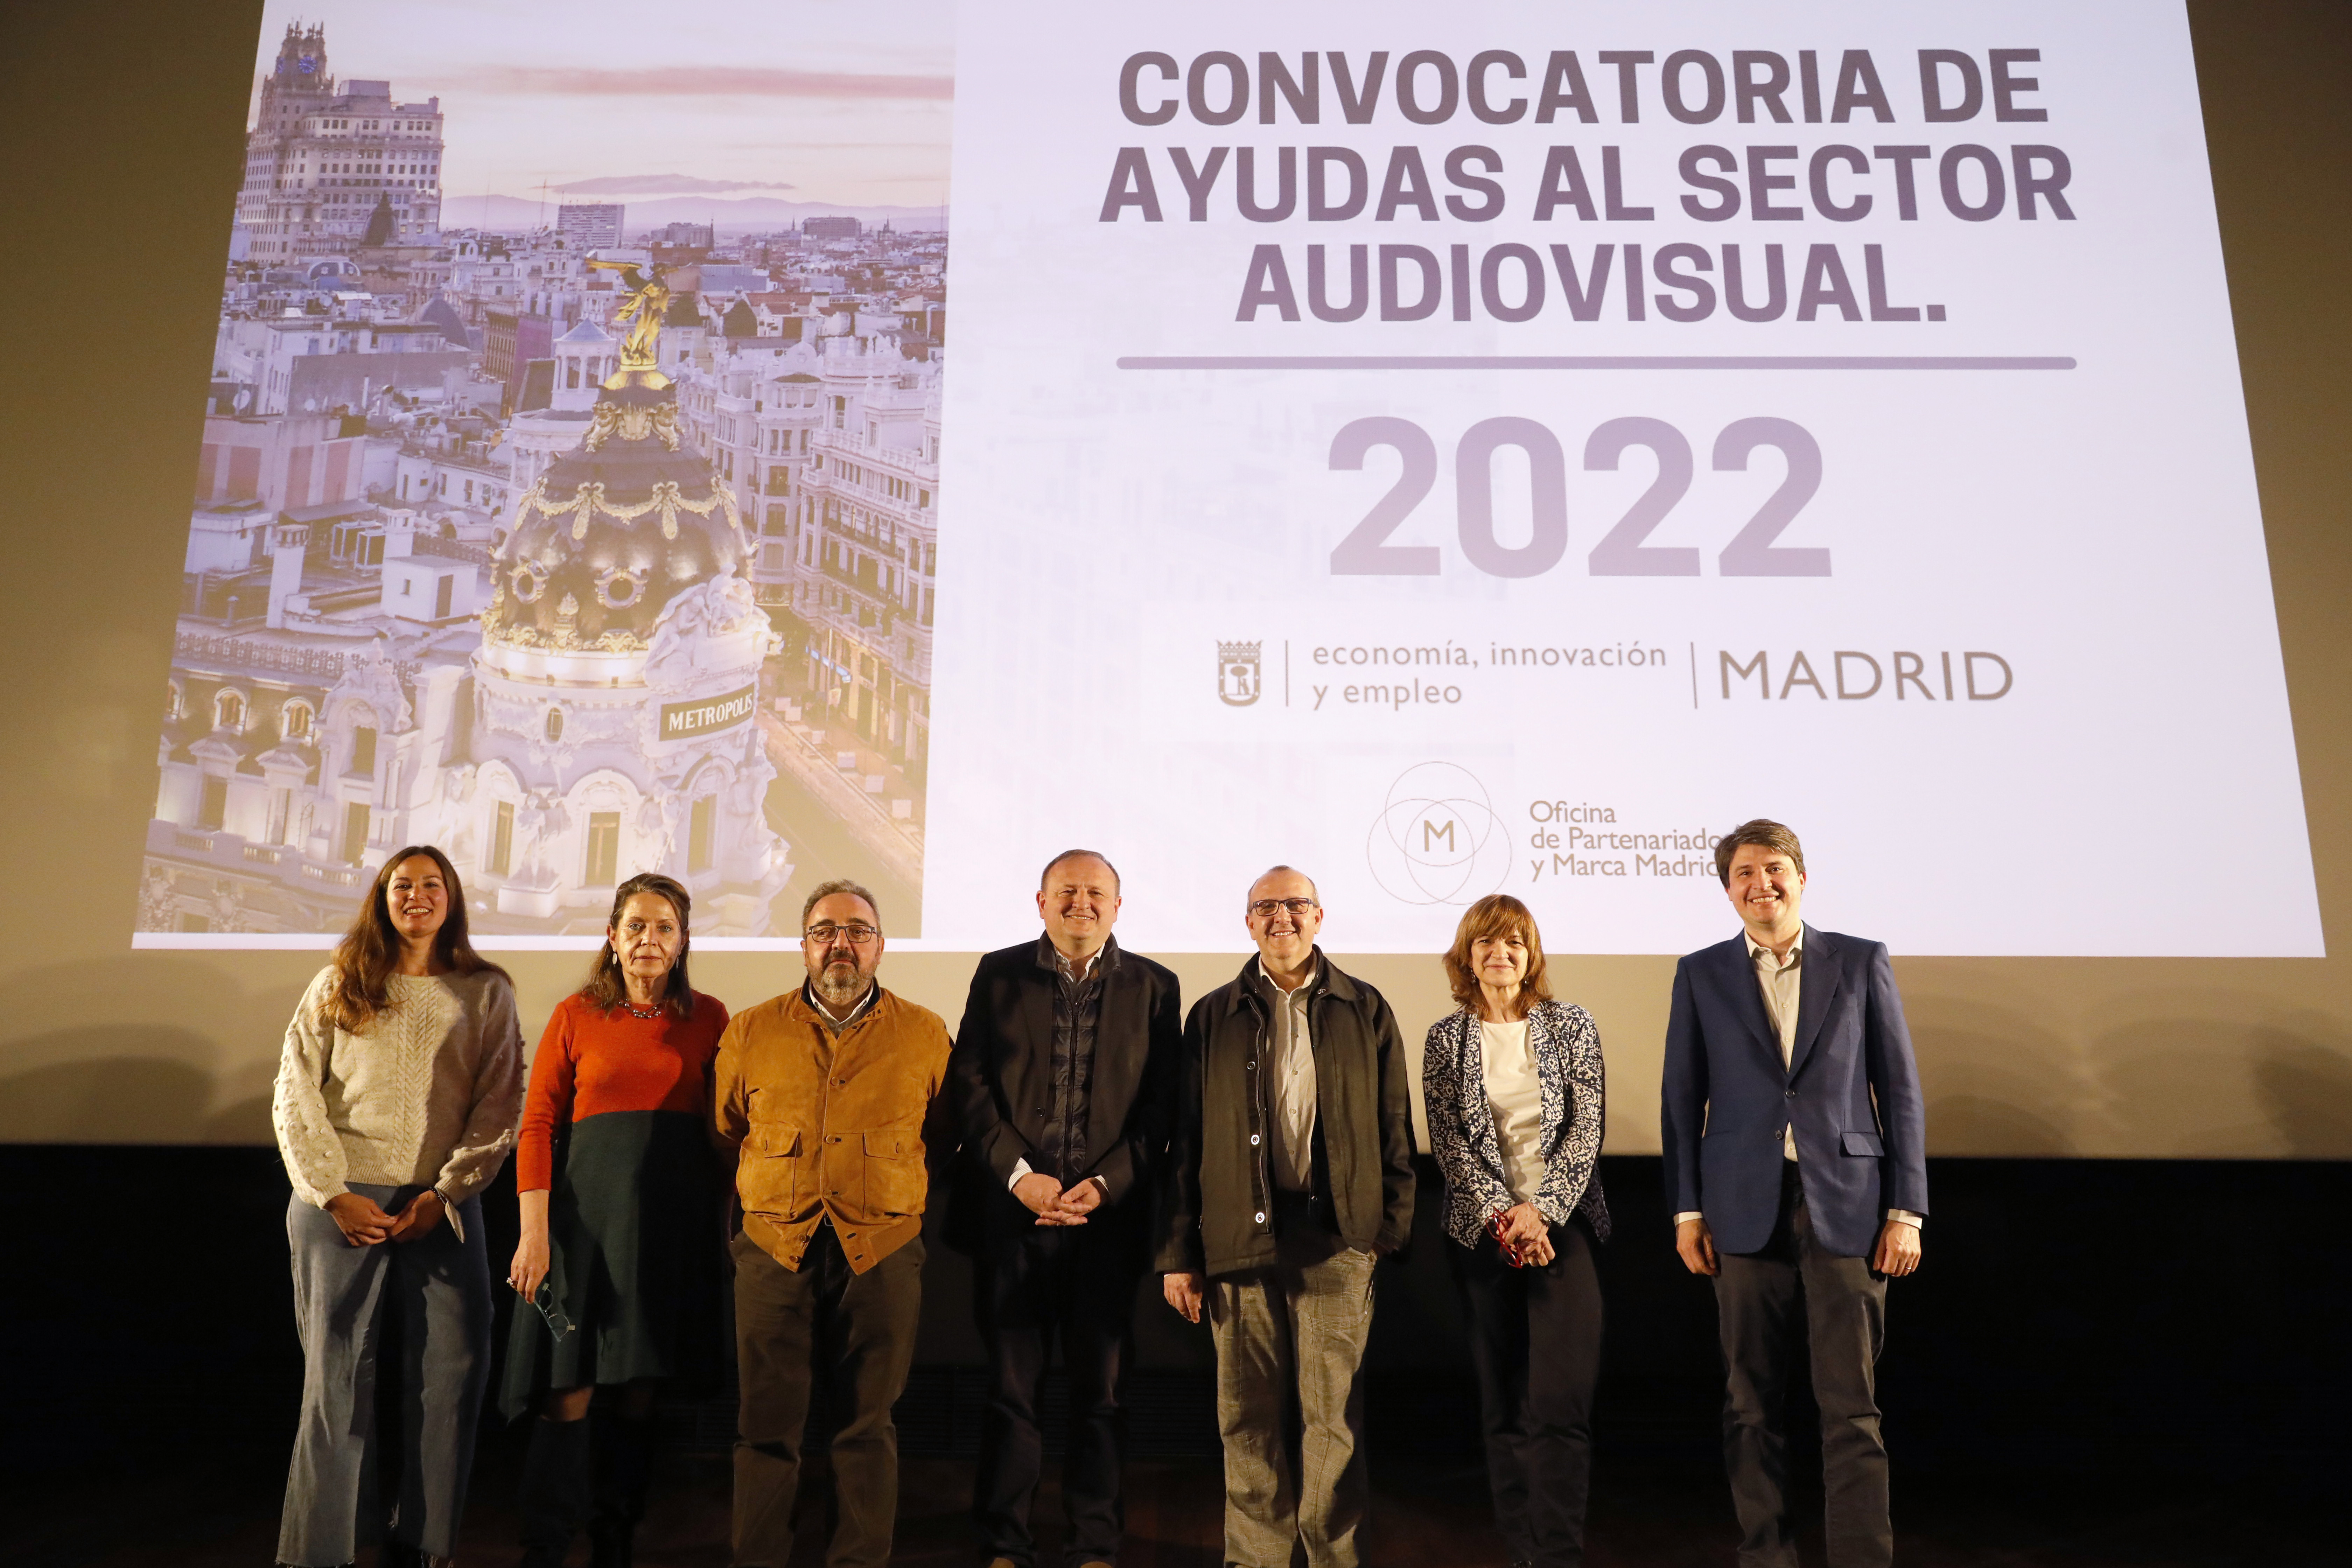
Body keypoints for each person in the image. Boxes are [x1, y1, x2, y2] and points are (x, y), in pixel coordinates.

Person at [1661, 820, 1929, 1568]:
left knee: (1852, 1406)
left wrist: (1906, 1211)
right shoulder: (1701, 972)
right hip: (1740, 1208)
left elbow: (1899, 1091)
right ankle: (1767, 1555)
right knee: (1750, 1404)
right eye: (1744, 873)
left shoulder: (1861, 960)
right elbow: (1682, 1100)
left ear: (1802, 878)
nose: (1762, 884)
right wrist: (1687, 1209)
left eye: (1774, 868)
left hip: (1849, 1207)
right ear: (1728, 890)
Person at [271, 845, 524, 1568]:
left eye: (432, 884)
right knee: (335, 1376)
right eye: (402, 885)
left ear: (453, 897)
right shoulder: (340, 981)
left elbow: (500, 1101)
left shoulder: (485, 990)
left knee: (453, 1369)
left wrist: (446, 1193)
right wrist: (334, 1193)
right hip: (339, 1202)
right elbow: (295, 1091)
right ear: (382, 899)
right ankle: (327, 1548)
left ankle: (425, 1541)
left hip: (442, 1204)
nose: (417, 896)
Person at [1156, 866, 1415, 1568]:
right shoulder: (1212, 1015)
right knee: (1246, 1415)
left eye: (1296, 904)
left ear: (1319, 916)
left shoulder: (1365, 1007)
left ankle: (1334, 1559)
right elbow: (1186, 1142)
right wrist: (1179, 1253)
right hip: (1237, 1241)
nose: (1283, 917)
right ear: (1248, 922)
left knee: (1333, 1420)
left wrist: (1384, 1231)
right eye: (1266, 907)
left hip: (1337, 1239)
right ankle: (1257, 1559)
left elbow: (1394, 1125)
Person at [947, 849, 1183, 1568]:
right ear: (1042, 901)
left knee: (1102, 1397)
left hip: (1107, 1227)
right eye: (1068, 891)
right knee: (1010, 1394)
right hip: (1012, 1222)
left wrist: (1107, 1184)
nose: (1082, 903)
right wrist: (1020, 1177)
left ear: (1118, 906)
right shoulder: (998, 973)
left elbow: (1162, 1106)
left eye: (1096, 893)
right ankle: (1004, 1544)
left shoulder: (1156, 986)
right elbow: (970, 1085)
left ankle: (1094, 1545)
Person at [714, 877, 954, 1568]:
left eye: (857, 931)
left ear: (880, 946)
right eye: (824, 931)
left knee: (867, 1426)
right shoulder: (751, 1029)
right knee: (765, 1427)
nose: (840, 943)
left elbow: (944, 1133)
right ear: (804, 946)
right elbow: (727, 1128)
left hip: (884, 1251)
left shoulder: (925, 1032)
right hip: (773, 1249)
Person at [502, 872, 732, 1568]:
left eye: (663, 927)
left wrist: (726, 1226)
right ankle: (546, 1544)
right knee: (566, 1388)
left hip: (669, 1229)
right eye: (635, 926)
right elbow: (537, 1125)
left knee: (638, 1390)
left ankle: (615, 1538)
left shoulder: (712, 1017)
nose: (648, 939)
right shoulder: (576, 1014)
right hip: (580, 1230)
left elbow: (726, 1132)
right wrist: (534, 1233)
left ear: (683, 940)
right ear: (612, 936)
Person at [1421, 894, 1610, 1568]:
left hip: (1563, 1229)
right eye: (1486, 943)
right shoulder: (1445, 1038)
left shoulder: (1572, 1024)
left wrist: (1541, 1213)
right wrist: (1505, 1215)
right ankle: (1522, 1549)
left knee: (1560, 1404)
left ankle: (1557, 1553)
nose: (1500, 954)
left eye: (1514, 943)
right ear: (1467, 956)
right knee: (1502, 1402)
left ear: (1531, 956)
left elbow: (1586, 1129)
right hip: (1481, 1233)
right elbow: (1449, 1143)